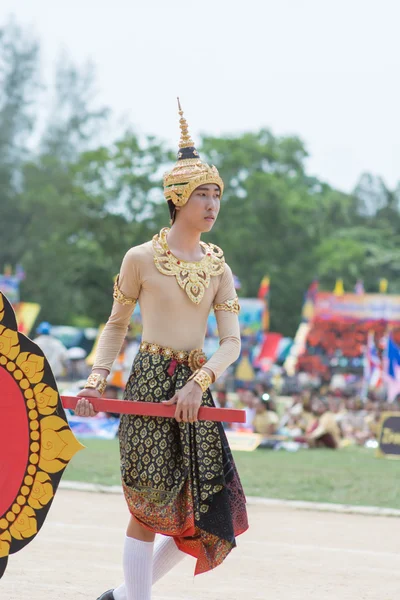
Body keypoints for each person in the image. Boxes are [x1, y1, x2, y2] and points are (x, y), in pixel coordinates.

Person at [75, 100, 248, 600]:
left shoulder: (219, 266)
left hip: (197, 387)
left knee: (207, 515)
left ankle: (125, 595)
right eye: (203, 195)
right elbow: (115, 325)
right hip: (150, 381)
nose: (212, 205)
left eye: (217, 195)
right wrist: (94, 381)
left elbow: (231, 343)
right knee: (147, 507)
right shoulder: (141, 258)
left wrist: (200, 381)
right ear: (178, 198)